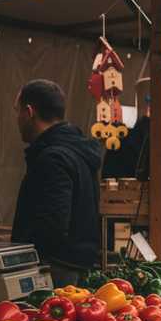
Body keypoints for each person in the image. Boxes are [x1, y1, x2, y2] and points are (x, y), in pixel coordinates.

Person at [12, 79, 102, 286]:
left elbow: (53, 222)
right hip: (77, 265)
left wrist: (22, 245)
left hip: (55, 270)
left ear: (29, 111)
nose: (17, 119)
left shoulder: (53, 158)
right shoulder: (77, 151)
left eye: (18, 111)